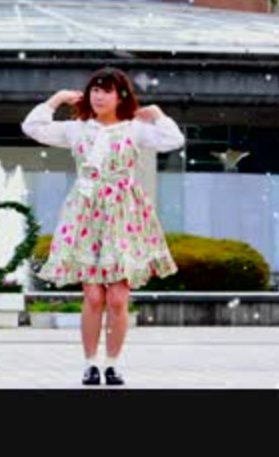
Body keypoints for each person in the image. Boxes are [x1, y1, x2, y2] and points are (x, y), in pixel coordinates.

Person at [21, 67, 185, 386]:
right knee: (94, 297)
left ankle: (112, 364)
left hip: (124, 213)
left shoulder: (134, 129)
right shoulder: (77, 128)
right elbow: (33, 127)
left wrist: (157, 114)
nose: (99, 96)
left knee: (118, 299)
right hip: (86, 213)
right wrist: (56, 100)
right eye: (95, 90)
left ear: (120, 96)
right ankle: (90, 364)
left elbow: (173, 139)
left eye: (107, 90)